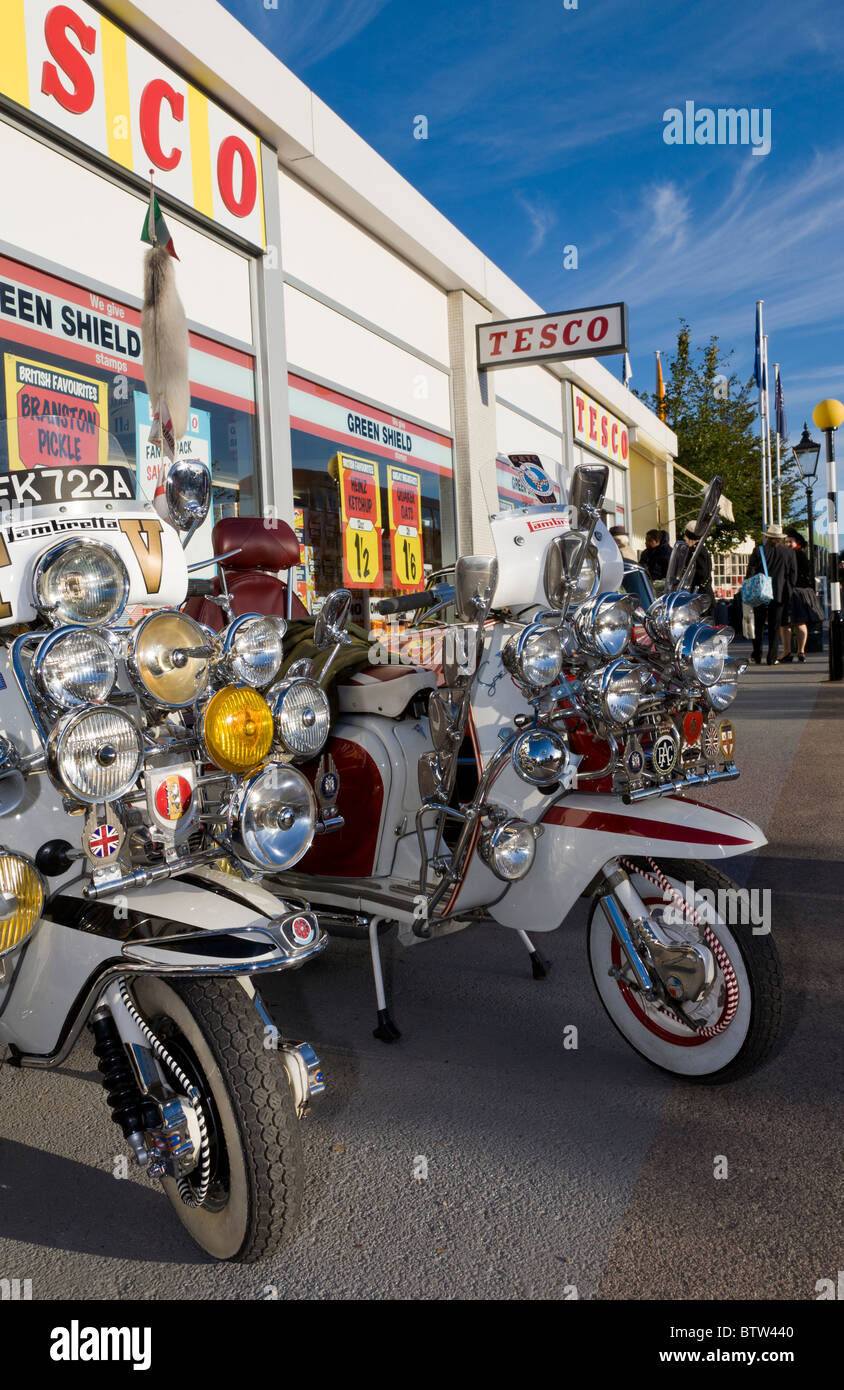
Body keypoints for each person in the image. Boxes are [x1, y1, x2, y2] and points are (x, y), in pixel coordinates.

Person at [746, 524, 797, 665]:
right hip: (780, 593)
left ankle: (756, 655)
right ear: (780, 538)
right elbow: (793, 575)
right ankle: (772, 657)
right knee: (775, 626)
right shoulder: (788, 553)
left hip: (760, 591)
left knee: (758, 625)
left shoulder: (759, 550)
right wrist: (789, 589)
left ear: (767, 537)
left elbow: (750, 572)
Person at [782, 528, 817, 663]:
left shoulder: (796, 555)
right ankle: (800, 651)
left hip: (794, 591)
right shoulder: (799, 554)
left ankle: (789, 651)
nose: (788, 544)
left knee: (788, 623)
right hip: (800, 591)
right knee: (798, 623)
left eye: (790, 541)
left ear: (797, 542)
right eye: (786, 542)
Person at [682, 525, 714, 609]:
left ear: (690, 538)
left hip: (701, 596)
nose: (685, 538)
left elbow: (702, 574)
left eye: (686, 536)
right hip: (698, 595)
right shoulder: (695, 550)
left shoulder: (697, 551)